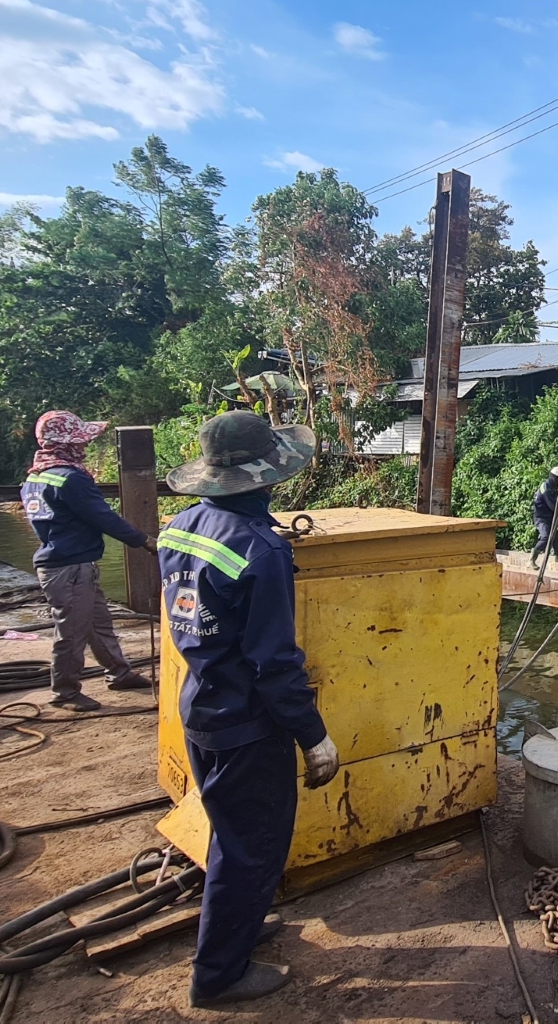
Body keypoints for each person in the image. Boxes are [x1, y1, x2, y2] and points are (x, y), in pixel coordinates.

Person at [159, 410, 341, 1007]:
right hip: (247, 726)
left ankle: (236, 923)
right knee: (254, 846)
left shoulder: (180, 526)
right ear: (266, 475)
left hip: (202, 706)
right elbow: (274, 665)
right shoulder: (261, 551)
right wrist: (313, 735)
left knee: (230, 834)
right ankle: (219, 976)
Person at [21, 411, 154, 713]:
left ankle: (119, 672)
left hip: (63, 564)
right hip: (70, 568)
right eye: (81, 441)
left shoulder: (35, 477)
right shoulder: (71, 479)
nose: (85, 447)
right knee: (71, 632)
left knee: (97, 623)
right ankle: (65, 692)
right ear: (68, 443)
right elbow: (103, 517)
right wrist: (145, 541)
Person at [530, 465, 558, 565]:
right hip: (542, 518)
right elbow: (553, 506)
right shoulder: (546, 489)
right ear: (555, 478)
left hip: (550, 518)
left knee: (557, 540)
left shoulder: (552, 488)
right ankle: (532, 559)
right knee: (546, 537)